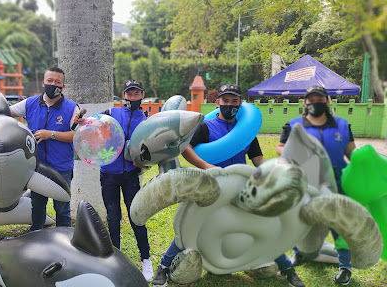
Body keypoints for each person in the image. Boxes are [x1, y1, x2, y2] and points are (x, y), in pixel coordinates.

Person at [152, 84, 305, 287]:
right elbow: (186, 148)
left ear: (240, 103)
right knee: (191, 224)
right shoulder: (206, 126)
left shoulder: (246, 130)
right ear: (218, 102)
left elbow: (257, 158)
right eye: (225, 100)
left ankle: (286, 268)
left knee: (266, 223)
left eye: (234, 101)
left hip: (240, 185)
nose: (230, 104)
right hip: (213, 185)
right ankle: (164, 266)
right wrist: (207, 166)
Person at [0, 67, 80, 230]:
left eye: (58, 82)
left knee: (62, 208)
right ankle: (36, 235)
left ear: (63, 86)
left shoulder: (72, 107)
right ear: (43, 82)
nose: (53, 84)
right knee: (37, 206)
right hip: (37, 167)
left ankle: (64, 237)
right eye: (50, 81)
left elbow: (75, 135)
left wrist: (50, 134)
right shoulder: (30, 104)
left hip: (62, 166)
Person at [276, 85, 356, 286]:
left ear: (327, 101)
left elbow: (351, 153)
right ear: (305, 102)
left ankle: (345, 266)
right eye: (311, 99)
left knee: (341, 224)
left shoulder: (342, 125)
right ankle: (299, 253)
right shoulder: (294, 126)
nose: (315, 102)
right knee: (301, 219)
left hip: (337, 180)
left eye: (319, 99)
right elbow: (281, 147)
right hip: (307, 179)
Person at [78, 79, 153, 281]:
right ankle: (115, 258)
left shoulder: (147, 120)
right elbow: (89, 125)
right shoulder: (111, 113)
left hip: (130, 176)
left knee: (136, 216)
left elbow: (152, 152)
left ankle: (146, 259)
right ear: (123, 95)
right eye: (129, 93)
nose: (132, 97)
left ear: (142, 95)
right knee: (113, 216)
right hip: (109, 174)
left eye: (136, 93)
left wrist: (144, 165)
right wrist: (80, 121)